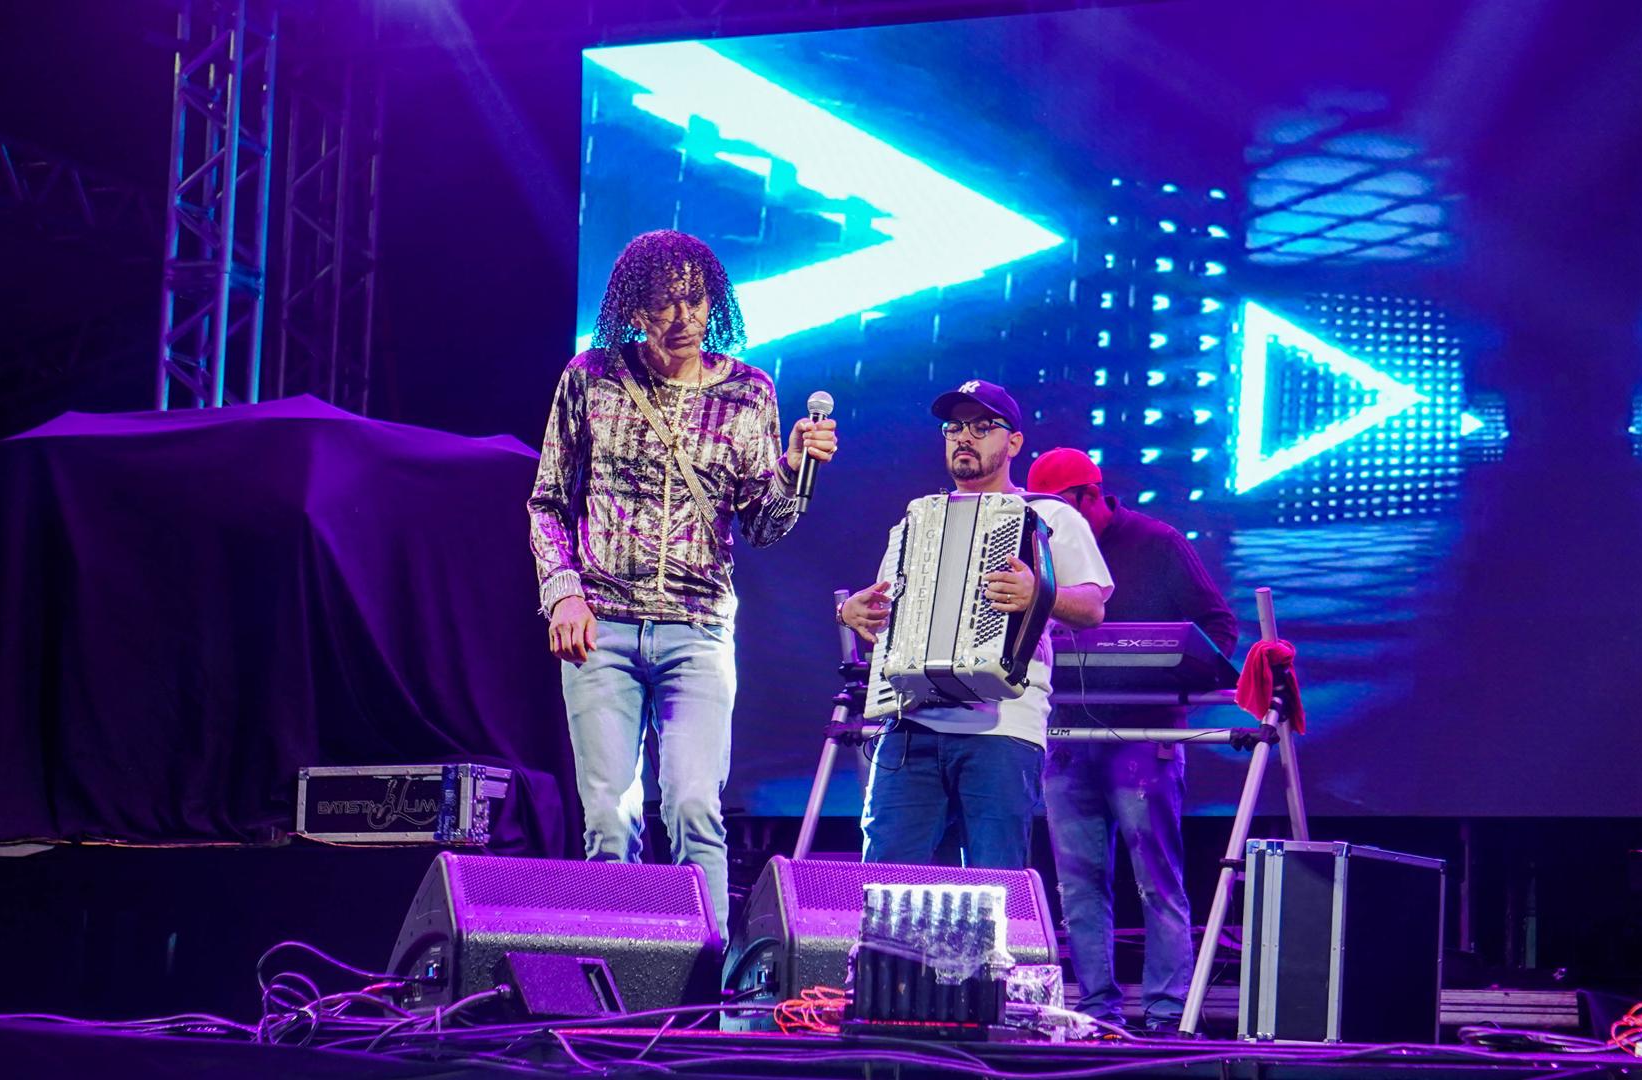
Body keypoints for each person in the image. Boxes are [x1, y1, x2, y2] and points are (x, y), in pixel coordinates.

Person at [527, 230, 838, 934]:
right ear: (634, 309)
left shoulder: (748, 393)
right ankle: (618, 967)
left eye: (695, 300)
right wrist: (563, 591)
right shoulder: (591, 378)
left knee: (695, 808)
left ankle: (706, 977)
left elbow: (763, 526)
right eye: (664, 302)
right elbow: (547, 501)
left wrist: (794, 468)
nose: (682, 317)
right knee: (610, 819)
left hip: (698, 631)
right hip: (601, 627)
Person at [838, 381, 1111, 870]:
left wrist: (1040, 594)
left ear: (1014, 442)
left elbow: (1092, 608)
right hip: (911, 723)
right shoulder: (917, 520)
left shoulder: (1048, 516)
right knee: (886, 882)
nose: (964, 436)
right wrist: (857, 612)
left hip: (1004, 727)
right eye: (954, 427)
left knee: (994, 887)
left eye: (983, 426)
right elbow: (891, 616)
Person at [1025, 447, 1238, 1031]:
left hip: (1145, 735)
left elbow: (1218, 627)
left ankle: (1166, 1014)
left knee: (1156, 880)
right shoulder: (1038, 546)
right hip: (1066, 735)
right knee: (1077, 884)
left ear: (1091, 497)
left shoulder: (1158, 543)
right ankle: (1095, 1010)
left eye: (1060, 512)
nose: (1052, 526)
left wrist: (1174, 676)